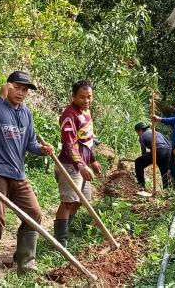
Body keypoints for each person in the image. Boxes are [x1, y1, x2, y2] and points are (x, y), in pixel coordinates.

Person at [0, 71, 53, 275]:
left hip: (18, 173)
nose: (21, 93)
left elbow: (30, 142)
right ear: (8, 86)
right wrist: (0, 97)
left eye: (25, 90)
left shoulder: (26, 113)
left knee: (34, 214)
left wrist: (42, 149)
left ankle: (25, 264)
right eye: (17, 88)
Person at [53, 81, 101, 248]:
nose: (86, 100)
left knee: (79, 201)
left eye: (89, 97)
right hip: (70, 166)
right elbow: (69, 144)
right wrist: (82, 166)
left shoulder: (86, 112)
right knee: (68, 201)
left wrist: (93, 160)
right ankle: (60, 241)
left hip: (84, 164)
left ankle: (65, 232)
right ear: (73, 97)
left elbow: (88, 140)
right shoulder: (69, 115)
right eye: (82, 97)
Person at [134, 122, 172, 191]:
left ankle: (141, 185)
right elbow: (168, 143)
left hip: (158, 151)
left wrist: (145, 159)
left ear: (140, 130)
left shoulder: (142, 136)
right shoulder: (156, 132)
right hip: (168, 151)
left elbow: (143, 151)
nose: (138, 134)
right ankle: (167, 191)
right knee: (165, 172)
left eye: (137, 132)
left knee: (138, 162)